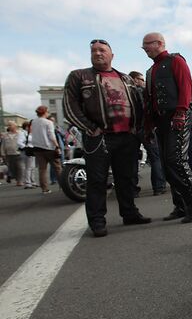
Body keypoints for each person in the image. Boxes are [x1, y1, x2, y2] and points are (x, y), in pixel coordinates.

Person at [63, 39, 150, 237]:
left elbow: (138, 103)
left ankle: (130, 214)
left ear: (112, 55)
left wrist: (137, 129)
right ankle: (97, 221)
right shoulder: (79, 76)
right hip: (99, 137)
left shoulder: (126, 78)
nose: (97, 53)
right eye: (94, 50)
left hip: (127, 136)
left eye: (102, 50)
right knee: (97, 180)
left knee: (126, 178)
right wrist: (90, 128)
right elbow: (70, 107)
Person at [141, 32, 192, 223]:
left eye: (147, 44)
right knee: (167, 165)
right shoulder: (150, 71)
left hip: (178, 116)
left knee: (176, 160)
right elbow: (150, 100)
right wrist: (148, 125)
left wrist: (180, 113)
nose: (144, 48)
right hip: (161, 121)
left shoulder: (175, 61)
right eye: (143, 45)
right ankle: (181, 205)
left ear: (160, 43)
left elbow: (185, 88)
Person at [129, 70, 166, 196]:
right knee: (155, 157)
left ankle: (133, 189)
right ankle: (158, 186)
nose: (143, 82)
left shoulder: (124, 94)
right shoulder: (143, 93)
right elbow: (149, 110)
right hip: (145, 128)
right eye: (141, 79)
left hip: (131, 130)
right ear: (134, 80)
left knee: (132, 160)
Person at [31, 106, 63, 194]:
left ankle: (44, 189)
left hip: (37, 148)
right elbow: (51, 136)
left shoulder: (33, 122)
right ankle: (63, 186)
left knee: (42, 169)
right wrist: (57, 146)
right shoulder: (48, 122)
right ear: (45, 112)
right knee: (57, 168)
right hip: (49, 148)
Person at [0, 121, 24, 186]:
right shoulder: (5, 135)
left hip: (18, 153)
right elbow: (3, 145)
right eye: (8, 125)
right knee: (12, 168)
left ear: (15, 126)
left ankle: (19, 181)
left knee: (19, 167)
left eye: (10, 125)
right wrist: (2, 153)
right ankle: (14, 177)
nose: (9, 126)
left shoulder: (20, 134)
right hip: (9, 154)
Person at [19, 121, 36, 189]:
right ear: (27, 127)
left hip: (32, 151)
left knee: (32, 167)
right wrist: (26, 147)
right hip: (27, 151)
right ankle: (28, 183)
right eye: (31, 126)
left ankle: (33, 182)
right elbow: (19, 142)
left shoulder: (31, 133)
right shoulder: (22, 133)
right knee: (28, 167)